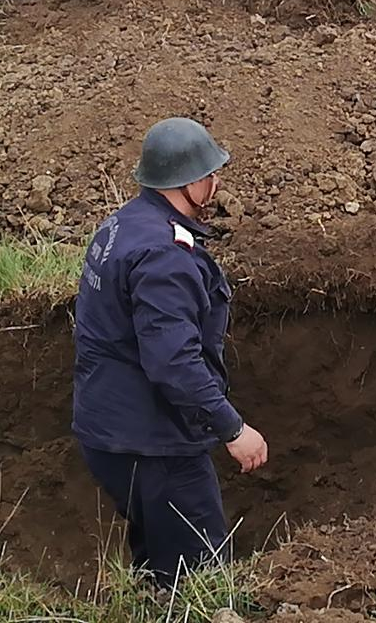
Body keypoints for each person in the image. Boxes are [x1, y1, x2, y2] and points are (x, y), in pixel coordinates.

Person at [73, 117, 269, 584]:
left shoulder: (122, 224)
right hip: (154, 445)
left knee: (161, 566)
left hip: (112, 431)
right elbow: (173, 360)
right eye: (210, 175)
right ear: (188, 182)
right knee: (202, 579)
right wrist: (232, 428)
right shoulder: (164, 255)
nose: (216, 184)